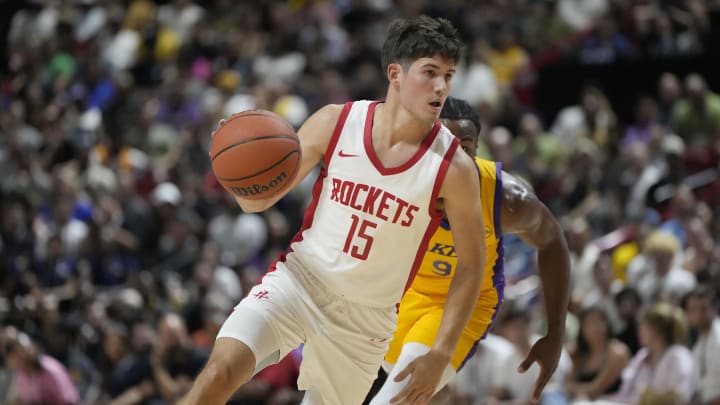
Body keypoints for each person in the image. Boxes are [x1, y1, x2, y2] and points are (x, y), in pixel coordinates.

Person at [180, 15, 487, 405]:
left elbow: (472, 265)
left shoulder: (454, 168)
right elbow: (256, 201)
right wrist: (232, 164)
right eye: (430, 72)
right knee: (219, 373)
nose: (441, 86)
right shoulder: (335, 121)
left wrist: (441, 352)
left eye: (449, 75)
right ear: (395, 73)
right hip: (300, 283)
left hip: (366, 320)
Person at [368, 97, 571, 404]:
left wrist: (555, 332)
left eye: (466, 148)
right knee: (417, 392)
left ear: (477, 149)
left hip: (465, 302)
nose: (456, 157)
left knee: (396, 399)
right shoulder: (398, 182)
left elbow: (553, 240)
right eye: (446, 147)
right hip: (406, 294)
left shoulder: (506, 199)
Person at [683, 286, 720, 405]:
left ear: (714, 309)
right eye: (693, 309)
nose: (699, 314)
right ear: (687, 315)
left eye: (703, 308)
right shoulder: (697, 347)